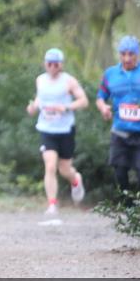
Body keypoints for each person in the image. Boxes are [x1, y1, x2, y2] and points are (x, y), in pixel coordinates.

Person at [95, 35, 140, 202]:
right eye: (123, 54)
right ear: (119, 54)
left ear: (137, 54)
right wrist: (103, 107)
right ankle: (128, 209)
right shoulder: (110, 74)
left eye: (131, 54)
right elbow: (100, 97)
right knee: (120, 174)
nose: (127, 59)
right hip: (120, 133)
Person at [26, 48, 88, 215]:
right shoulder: (40, 80)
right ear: (45, 64)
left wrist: (66, 107)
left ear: (61, 65)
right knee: (50, 165)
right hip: (47, 129)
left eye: (56, 64)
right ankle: (52, 204)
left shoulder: (69, 81)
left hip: (65, 130)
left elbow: (83, 101)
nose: (53, 67)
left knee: (65, 170)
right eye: (50, 64)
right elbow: (40, 99)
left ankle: (76, 180)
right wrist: (33, 107)